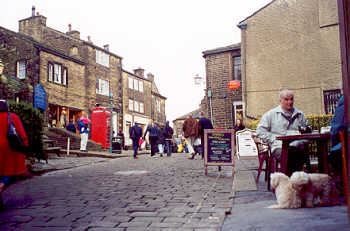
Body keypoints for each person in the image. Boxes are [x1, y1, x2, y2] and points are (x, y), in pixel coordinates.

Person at [256, 90, 310, 176]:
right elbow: (260, 132)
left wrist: (303, 133)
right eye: (286, 99)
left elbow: (307, 130)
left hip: (297, 146)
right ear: (280, 100)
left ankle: (292, 180)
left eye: (291, 99)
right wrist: (274, 139)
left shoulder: (300, 114)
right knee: (291, 154)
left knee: (299, 153)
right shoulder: (270, 114)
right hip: (279, 146)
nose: (290, 102)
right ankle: (291, 180)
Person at [0, 100, 29, 210]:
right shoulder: (12, 117)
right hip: (8, 148)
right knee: (7, 172)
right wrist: (25, 145)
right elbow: (21, 132)